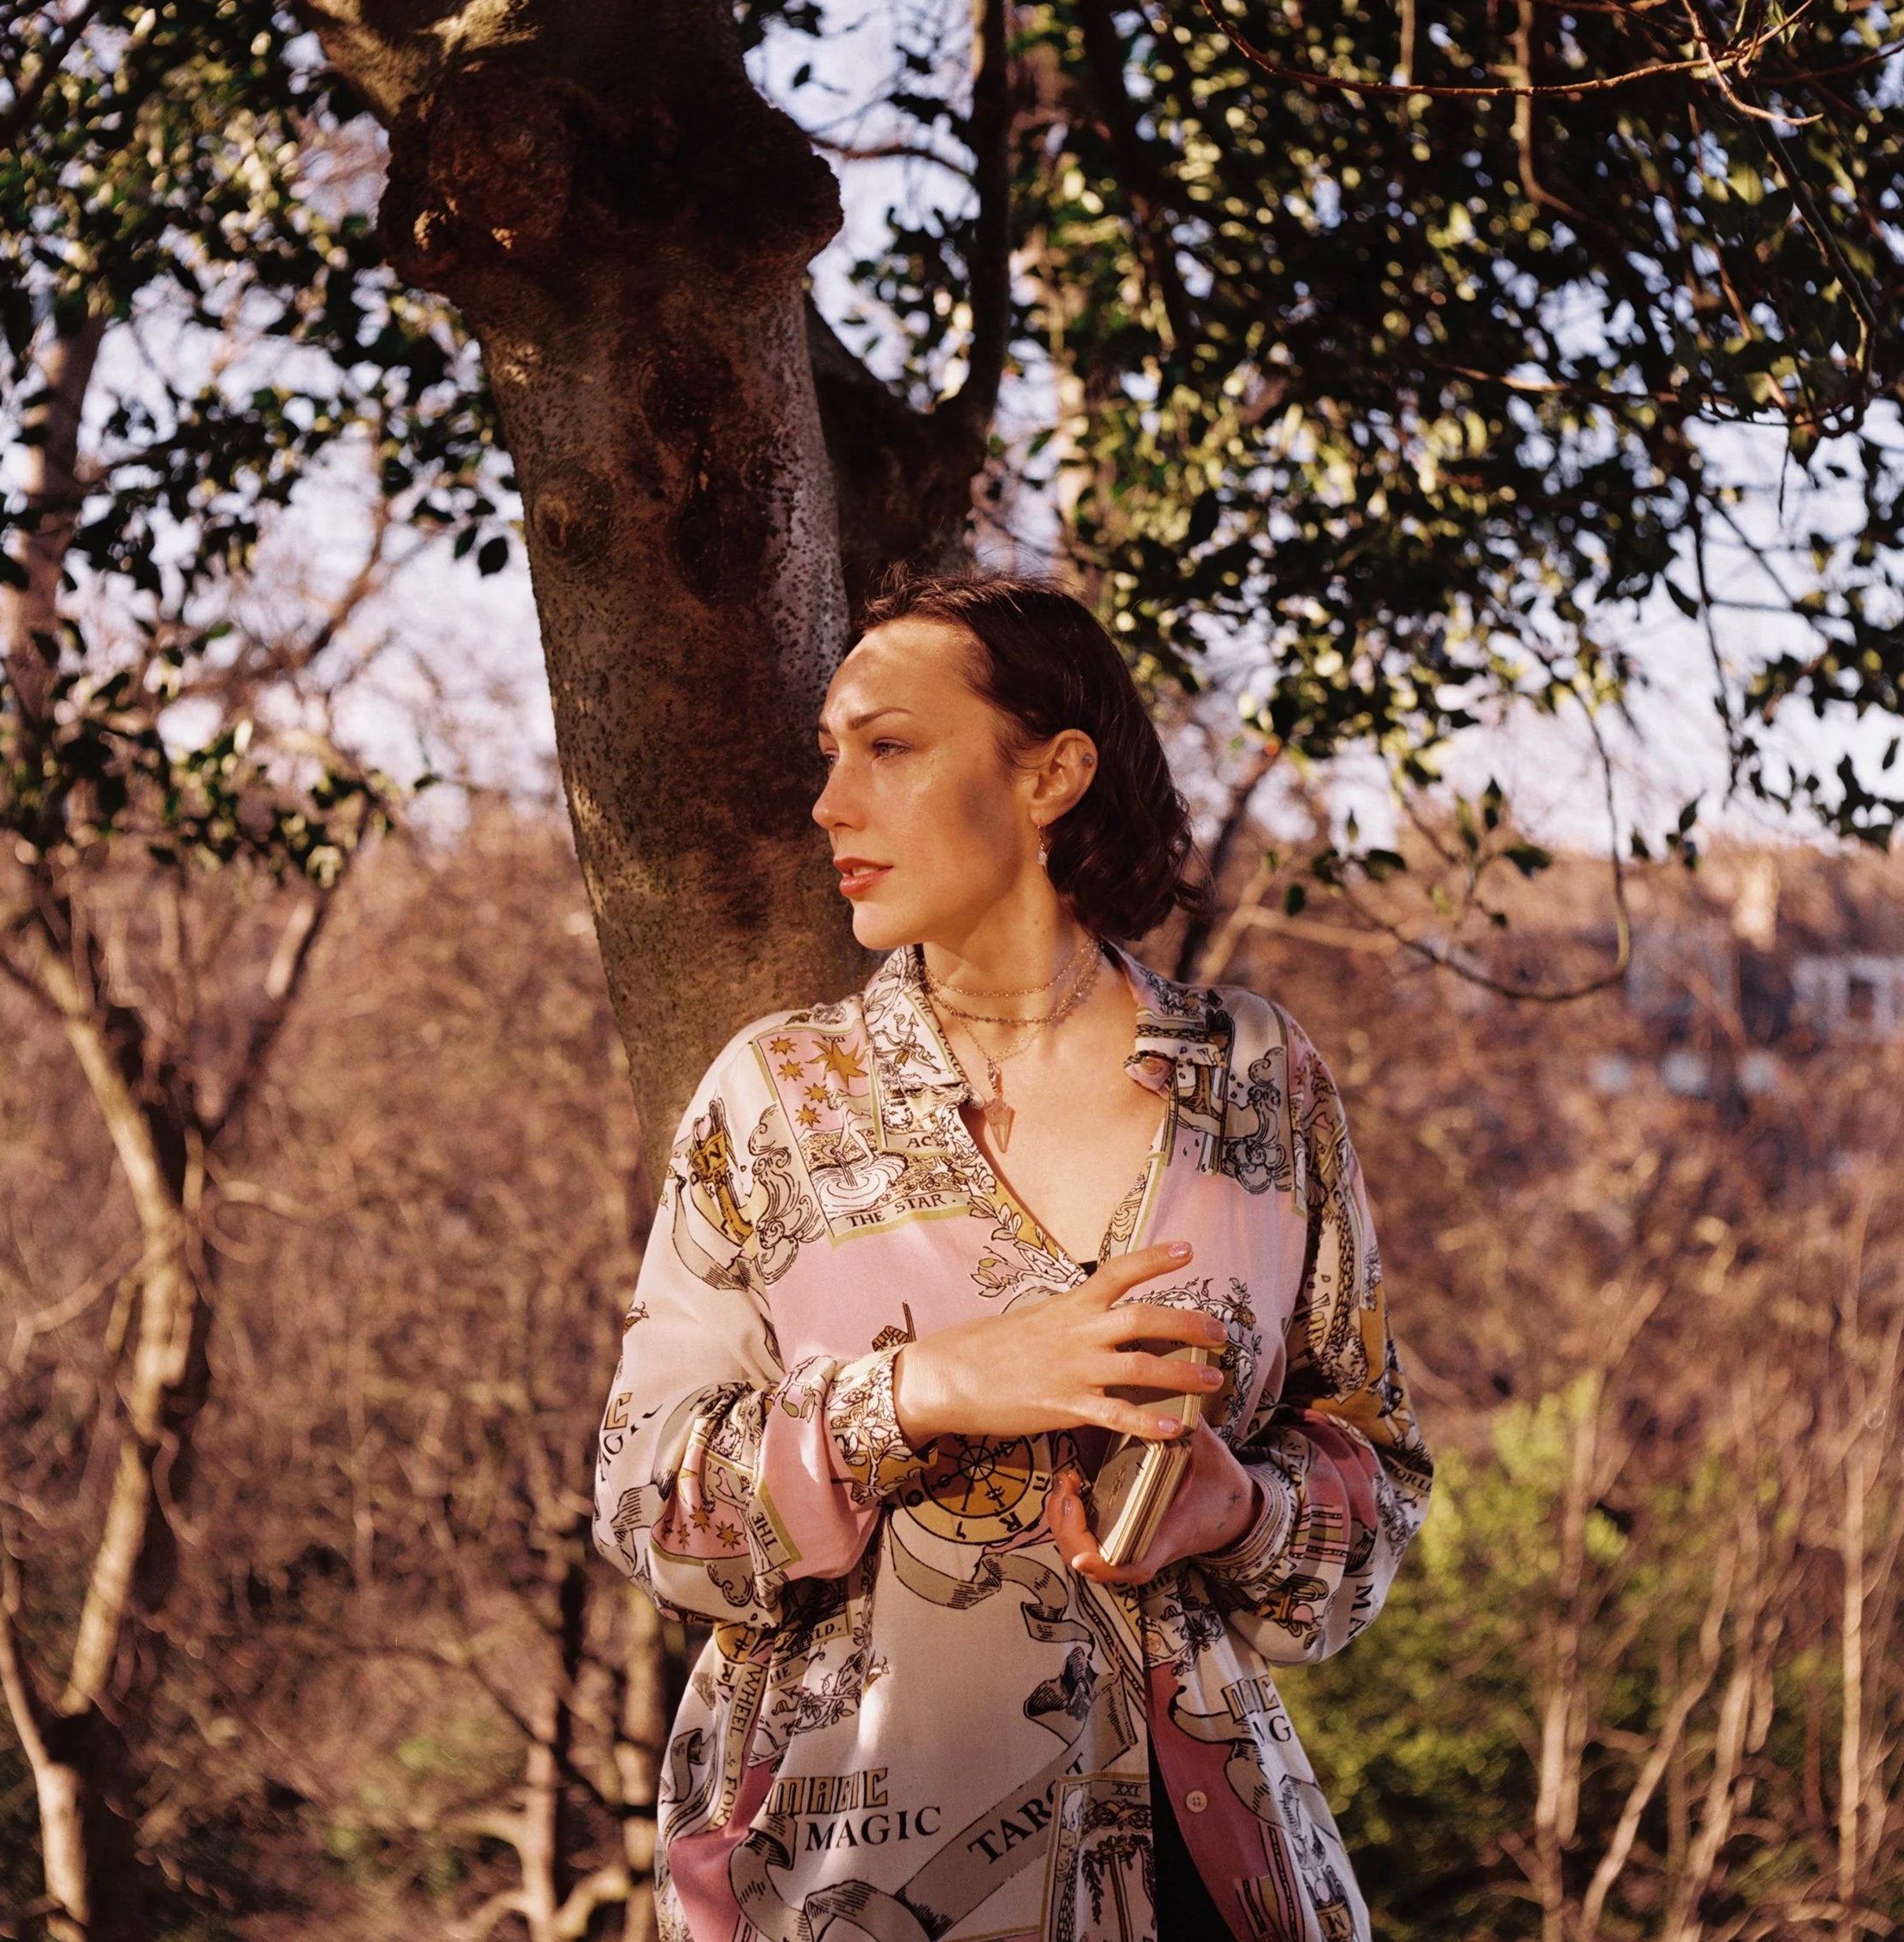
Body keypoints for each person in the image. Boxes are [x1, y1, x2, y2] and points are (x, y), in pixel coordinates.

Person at [593, 574, 1433, 1942]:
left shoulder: (1262, 1082)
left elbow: (1375, 1481)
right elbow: (646, 1502)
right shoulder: (775, 1097)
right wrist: (921, 1391)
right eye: (830, 752)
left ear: (1051, 772)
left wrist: (1234, 1510)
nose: (832, 803)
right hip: (846, 1890)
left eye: (891, 747)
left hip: (1207, 1880)